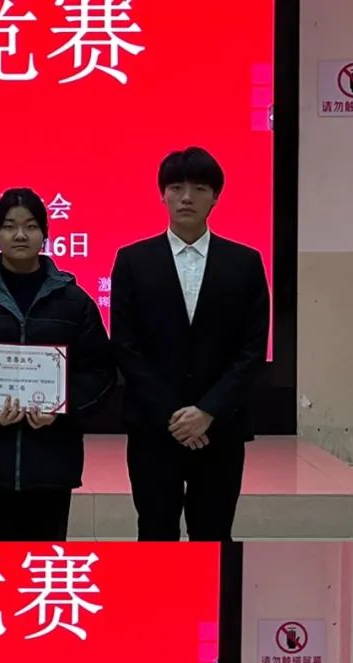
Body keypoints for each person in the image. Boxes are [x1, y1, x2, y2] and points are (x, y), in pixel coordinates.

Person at [111, 147, 271, 541]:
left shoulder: (245, 262)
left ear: (215, 196)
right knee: (155, 531)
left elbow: (251, 349)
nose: (186, 197)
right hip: (154, 427)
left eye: (199, 188)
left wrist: (208, 411)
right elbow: (126, 346)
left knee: (213, 534)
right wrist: (174, 415)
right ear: (162, 194)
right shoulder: (132, 260)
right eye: (176, 188)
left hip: (221, 427)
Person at [0, 188, 115, 540]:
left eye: (31, 226)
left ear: (45, 234)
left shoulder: (74, 303)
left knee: (43, 561)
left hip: (50, 461)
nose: (20, 235)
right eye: (9, 226)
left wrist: (61, 408)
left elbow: (100, 373)